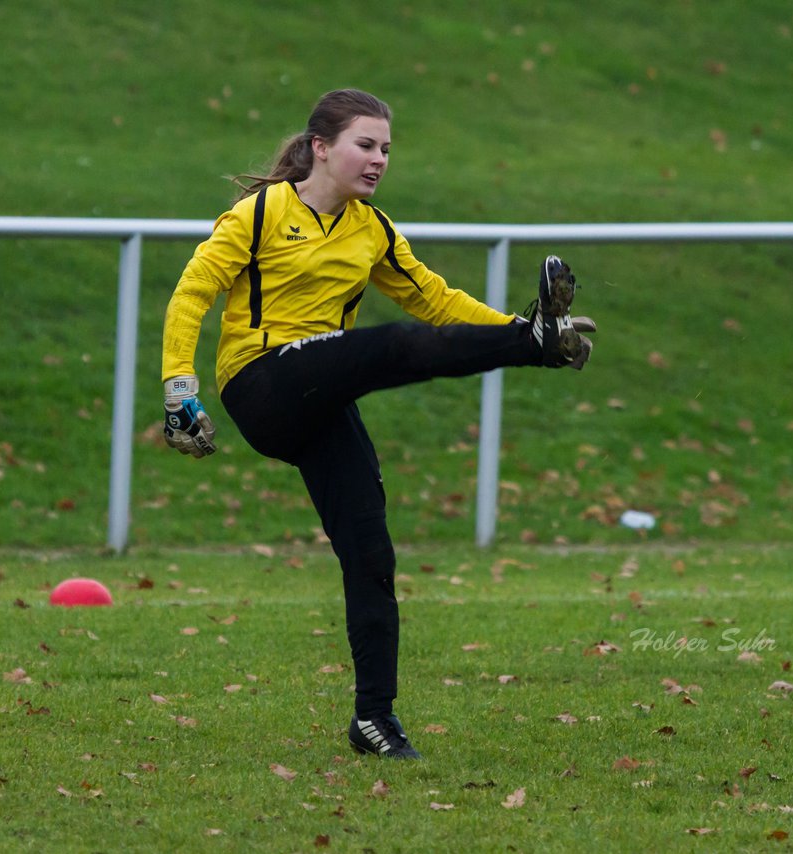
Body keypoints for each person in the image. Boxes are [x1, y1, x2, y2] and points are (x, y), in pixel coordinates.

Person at [159, 88, 595, 760]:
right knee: (393, 346)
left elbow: (437, 299)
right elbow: (192, 292)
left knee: (372, 556)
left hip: (322, 397)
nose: (379, 159)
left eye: (387, 148)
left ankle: (374, 721)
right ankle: (535, 343)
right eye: (366, 144)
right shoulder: (260, 214)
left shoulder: (373, 229)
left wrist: (510, 325)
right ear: (320, 148)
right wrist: (178, 385)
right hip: (262, 385)